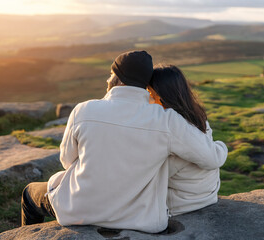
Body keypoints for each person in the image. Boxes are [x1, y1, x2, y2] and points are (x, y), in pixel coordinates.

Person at [21, 50, 228, 233]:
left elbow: (67, 161)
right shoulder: (167, 120)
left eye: (110, 74)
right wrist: (220, 145)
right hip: (137, 217)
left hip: (79, 208)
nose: (107, 79)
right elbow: (210, 157)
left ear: (117, 78)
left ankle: (28, 234)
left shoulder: (84, 110)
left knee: (29, 195)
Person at [148, 64, 225, 216]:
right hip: (205, 196)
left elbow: (212, 159)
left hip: (182, 204)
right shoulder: (194, 115)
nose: (146, 98)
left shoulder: (174, 125)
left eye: (149, 93)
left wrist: (220, 147)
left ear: (162, 95)